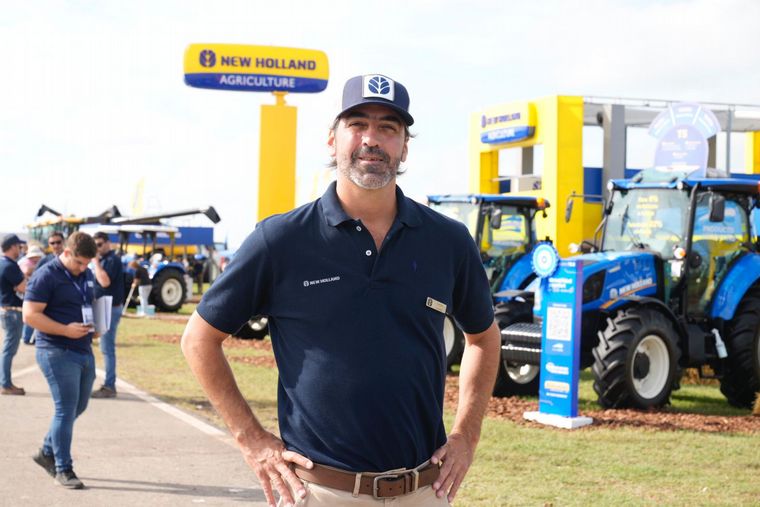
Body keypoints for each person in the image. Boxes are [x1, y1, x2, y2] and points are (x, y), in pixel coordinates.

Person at [181, 74, 500, 507]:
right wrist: (251, 439)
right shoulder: (281, 240)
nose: (372, 139)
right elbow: (199, 339)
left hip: (424, 491)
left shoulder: (448, 241)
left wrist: (466, 435)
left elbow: (483, 338)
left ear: (404, 147)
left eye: (388, 127)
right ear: (332, 140)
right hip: (319, 491)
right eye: (358, 124)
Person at [23, 231, 98, 489]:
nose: (83, 268)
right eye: (79, 262)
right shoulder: (46, 275)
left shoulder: (86, 274)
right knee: (65, 409)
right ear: (66, 252)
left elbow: (89, 303)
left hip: (83, 348)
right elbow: (30, 315)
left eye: (87, 264)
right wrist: (65, 330)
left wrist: (96, 326)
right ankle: (63, 469)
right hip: (56, 350)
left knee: (79, 406)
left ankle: (47, 450)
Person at [90, 232, 125, 399]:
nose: (97, 248)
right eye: (95, 245)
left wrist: (95, 262)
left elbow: (104, 282)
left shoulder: (112, 260)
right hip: (102, 305)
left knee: (107, 348)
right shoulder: (104, 260)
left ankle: (109, 386)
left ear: (107, 243)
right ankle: (107, 384)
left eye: (99, 244)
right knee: (103, 347)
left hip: (109, 307)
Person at [0, 233, 28, 395]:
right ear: (12, 247)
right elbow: (24, 287)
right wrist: (24, 279)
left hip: (6, 310)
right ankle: (5, 384)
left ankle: (5, 382)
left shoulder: (2, 263)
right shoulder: (10, 265)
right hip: (12, 311)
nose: (20, 249)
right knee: (9, 350)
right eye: (18, 246)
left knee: (8, 349)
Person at [20, 245, 45, 345]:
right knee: (30, 316)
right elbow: (27, 271)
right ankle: (26, 337)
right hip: (29, 292)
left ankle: (28, 337)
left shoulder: (34, 263)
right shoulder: (27, 263)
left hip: (31, 291)